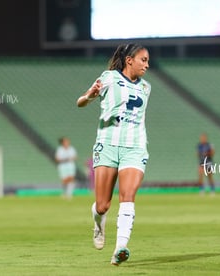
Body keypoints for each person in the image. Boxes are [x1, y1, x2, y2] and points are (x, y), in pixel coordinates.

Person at [76, 43, 151, 266]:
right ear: (129, 60)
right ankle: (99, 225)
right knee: (103, 206)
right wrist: (90, 96)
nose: (147, 65)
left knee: (127, 196)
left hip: (135, 148)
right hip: (107, 145)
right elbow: (80, 103)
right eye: (143, 60)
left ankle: (120, 247)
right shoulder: (108, 78)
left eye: (147, 61)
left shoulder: (146, 87)